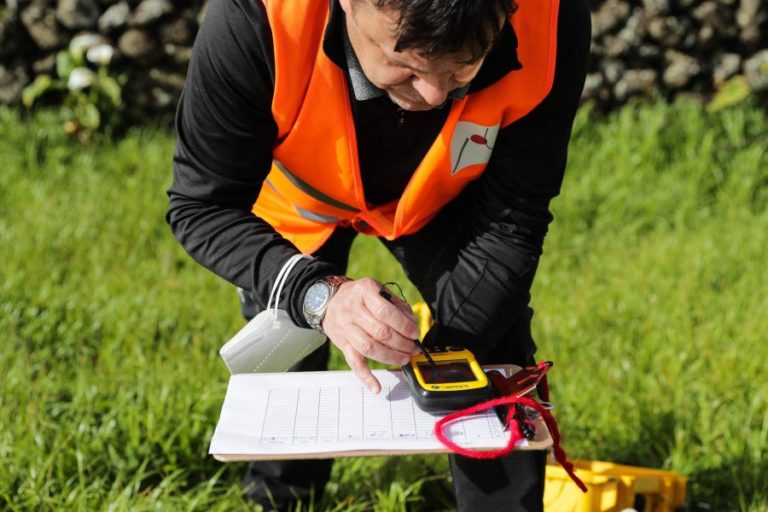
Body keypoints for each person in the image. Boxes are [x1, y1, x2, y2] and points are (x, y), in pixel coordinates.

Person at [167, 0, 590, 509]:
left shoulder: (551, 18)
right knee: (286, 351)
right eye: (407, 63)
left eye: (464, 65)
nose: (435, 94)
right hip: (298, 194)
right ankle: (282, 500)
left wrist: (448, 357)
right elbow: (201, 205)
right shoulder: (254, 16)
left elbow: (514, 219)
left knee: (492, 351)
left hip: (443, 197)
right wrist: (318, 295)